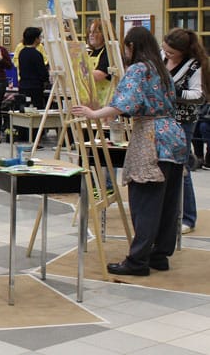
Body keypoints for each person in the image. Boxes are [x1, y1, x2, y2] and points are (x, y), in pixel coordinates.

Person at [72, 27, 187, 276]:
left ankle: (138, 260)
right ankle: (159, 255)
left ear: (132, 47)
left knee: (145, 201)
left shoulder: (139, 69)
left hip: (151, 137)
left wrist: (93, 114)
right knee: (167, 203)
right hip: (173, 136)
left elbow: (126, 103)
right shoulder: (161, 69)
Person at [161, 28, 209, 234]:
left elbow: (199, 95)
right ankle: (169, 212)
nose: (167, 55)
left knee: (182, 169)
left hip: (183, 122)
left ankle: (188, 217)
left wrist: (174, 92)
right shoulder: (164, 60)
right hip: (163, 119)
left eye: (171, 52)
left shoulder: (195, 66)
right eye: (165, 51)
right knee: (167, 167)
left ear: (183, 51)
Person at [17, 27, 49, 111]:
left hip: (23, 86)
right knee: (36, 110)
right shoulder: (36, 54)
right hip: (35, 88)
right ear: (36, 39)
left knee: (24, 110)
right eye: (39, 37)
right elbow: (42, 72)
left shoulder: (22, 52)